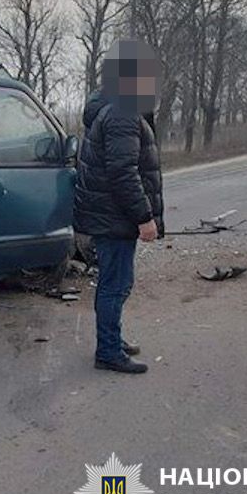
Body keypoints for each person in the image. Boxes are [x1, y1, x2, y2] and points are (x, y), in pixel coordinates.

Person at [73, 40, 164, 374]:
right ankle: (109, 351)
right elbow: (123, 173)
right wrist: (144, 217)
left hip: (108, 215)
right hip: (115, 217)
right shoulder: (123, 112)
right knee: (116, 284)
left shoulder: (116, 107)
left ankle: (111, 340)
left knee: (114, 282)